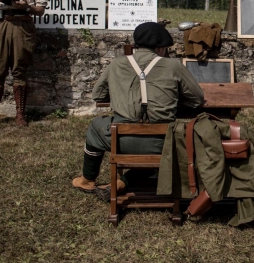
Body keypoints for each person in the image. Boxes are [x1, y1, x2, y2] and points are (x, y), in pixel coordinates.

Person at [71, 22, 205, 200]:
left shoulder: (117, 64)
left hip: (121, 141)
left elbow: (98, 95)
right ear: (160, 48)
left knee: (96, 126)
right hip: (163, 143)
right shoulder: (174, 66)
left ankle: (88, 180)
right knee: (164, 146)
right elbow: (197, 99)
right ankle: (125, 181)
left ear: (137, 45)